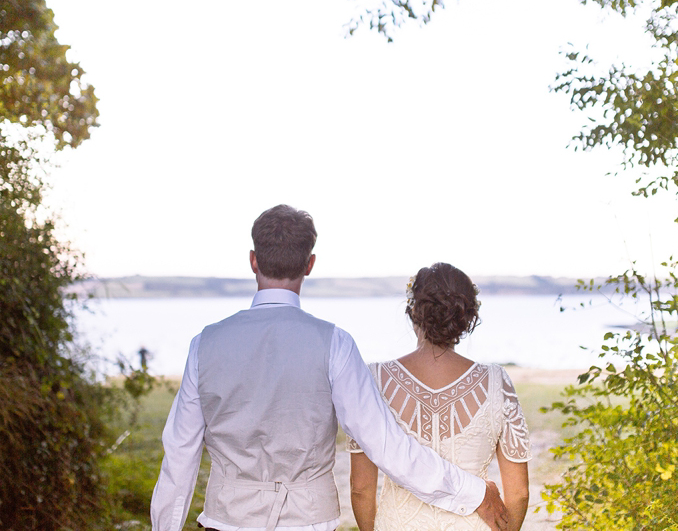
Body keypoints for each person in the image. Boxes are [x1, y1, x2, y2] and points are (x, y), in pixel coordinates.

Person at [150, 205, 509, 531]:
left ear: (253, 260)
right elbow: (386, 445)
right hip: (308, 522)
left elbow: (179, 457)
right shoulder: (334, 343)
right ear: (309, 264)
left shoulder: (206, 344)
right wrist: (473, 492)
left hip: (226, 519)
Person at [348, 262, 531, 531]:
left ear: (413, 312)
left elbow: (361, 488)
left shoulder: (374, 379)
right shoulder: (497, 382)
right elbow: (519, 493)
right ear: (466, 317)